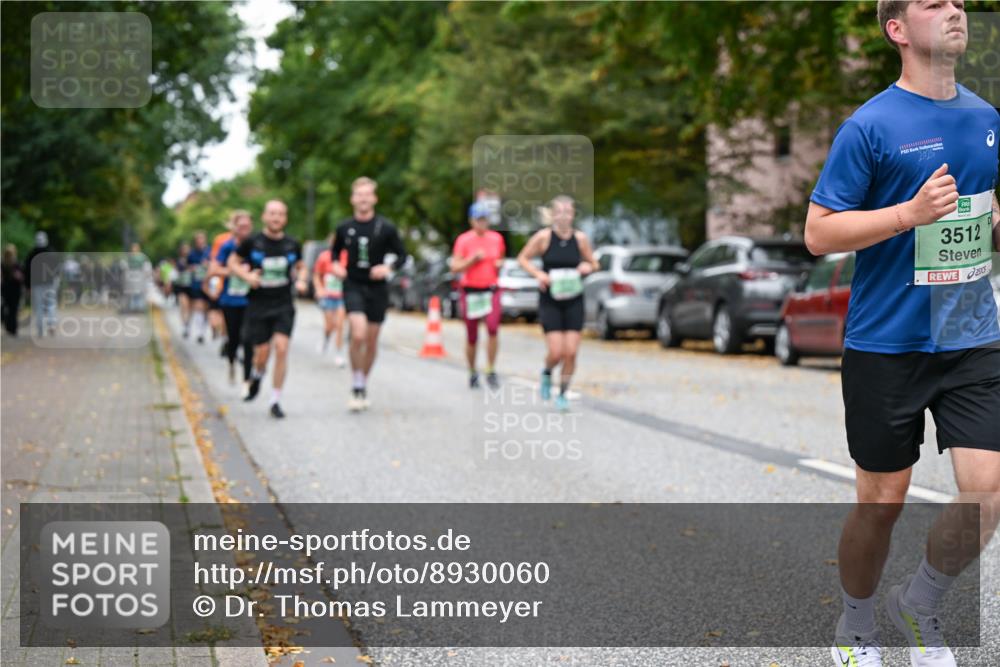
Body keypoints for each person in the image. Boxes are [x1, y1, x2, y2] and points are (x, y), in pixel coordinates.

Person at [805, 2, 1000, 665]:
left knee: (988, 490)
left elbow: (984, 207)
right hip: (886, 344)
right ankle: (857, 624)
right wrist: (906, 214)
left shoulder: (986, 118)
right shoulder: (870, 126)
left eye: (959, 2)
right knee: (881, 502)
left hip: (970, 335)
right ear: (897, 29)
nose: (955, 11)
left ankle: (919, 602)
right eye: (934, 3)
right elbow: (818, 232)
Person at [330, 177, 407, 411]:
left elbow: (402, 256)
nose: (363, 198)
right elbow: (334, 254)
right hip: (353, 284)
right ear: (352, 199)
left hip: (377, 288)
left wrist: (387, 268)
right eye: (359, 194)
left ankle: (362, 383)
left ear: (374, 198)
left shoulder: (386, 227)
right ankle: (356, 382)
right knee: (358, 334)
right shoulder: (344, 227)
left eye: (367, 194)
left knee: (371, 340)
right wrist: (336, 267)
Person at [228, 200, 307, 418]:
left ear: (285, 218)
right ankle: (257, 374)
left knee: (282, 348)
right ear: (264, 216)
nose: (276, 218)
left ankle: (275, 400)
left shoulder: (292, 243)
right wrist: (247, 276)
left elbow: (301, 266)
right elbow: (232, 262)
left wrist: (302, 279)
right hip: (258, 305)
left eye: (280, 214)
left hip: (283, 304)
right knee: (262, 354)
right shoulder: (252, 242)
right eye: (272, 213)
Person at [517, 196, 598, 411]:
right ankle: (547, 372)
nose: (563, 216)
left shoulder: (580, 239)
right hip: (550, 300)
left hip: (574, 300)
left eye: (568, 212)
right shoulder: (543, 237)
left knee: (570, 352)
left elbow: (594, 263)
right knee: (556, 352)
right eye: (559, 212)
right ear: (553, 215)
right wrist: (539, 274)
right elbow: (522, 258)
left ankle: (562, 393)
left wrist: (588, 267)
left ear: (573, 215)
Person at [450, 200, 506, 389]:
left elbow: (499, 259)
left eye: (484, 219)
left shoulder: (496, 238)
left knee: (492, 328)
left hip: (490, 289)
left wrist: (499, 265)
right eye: (478, 220)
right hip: (471, 291)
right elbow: (454, 267)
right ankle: (473, 371)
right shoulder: (463, 240)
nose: (482, 223)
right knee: (472, 335)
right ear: (471, 221)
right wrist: (472, 260)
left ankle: (490, 369)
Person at [211, 211, 254, 385]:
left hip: (250, 299)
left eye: (247, 226)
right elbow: (214, 269)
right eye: (241, 226)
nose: (244, 229)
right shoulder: (227, 246)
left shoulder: (255, 245)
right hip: (230, 299)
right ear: (234, 227)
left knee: (248, 337)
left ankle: (247, 378)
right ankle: (231, 363)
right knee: (234, 337)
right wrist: (234, 271)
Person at [312, 235, 347, 367]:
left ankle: (338, 353)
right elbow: (316, 275)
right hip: (327, 295)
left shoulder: (347, 256)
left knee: (340, 325)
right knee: (330, 325)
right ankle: (325, 339)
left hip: (342, 296)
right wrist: (319, 288)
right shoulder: (324, 256)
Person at [25, 231, 59, 338]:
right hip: (49, 283)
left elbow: (27, 271)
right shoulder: (51, 252)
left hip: (37, 284)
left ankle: (40, 328)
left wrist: (27, 286)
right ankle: (51, 324)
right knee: (50, 304)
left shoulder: (31, 254)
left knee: (38, 306)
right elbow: (57, 269)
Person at [186, 231, 211, 343]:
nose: (200, 241)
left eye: (202, 239)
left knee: (206, 308)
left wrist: (208, 265)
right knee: (199, 307)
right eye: (198, 240)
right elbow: (188, 266)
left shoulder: (210, 251)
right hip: (196, 283)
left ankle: (204, 329)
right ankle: (200, 333)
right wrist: (193, 268)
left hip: (209, 283)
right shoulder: (192, 254)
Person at [1, 244, 25, 336]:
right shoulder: (15, 264)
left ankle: (10, 327)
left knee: (9, 308)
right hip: (13, 289)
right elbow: (22, 277)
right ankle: (12, 328)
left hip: (8, 289)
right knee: (12, 309)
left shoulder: (5, 263)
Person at [173, 242, 192, 329]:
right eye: (184, 249)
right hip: (181, 286)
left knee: (190, 306)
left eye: (187, 249)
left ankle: (188, 323)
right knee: (184, 305)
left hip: (191, 286)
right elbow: (176, 272)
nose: (186, 251)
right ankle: (184, 325)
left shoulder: (193, 259)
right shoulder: (179, 261)